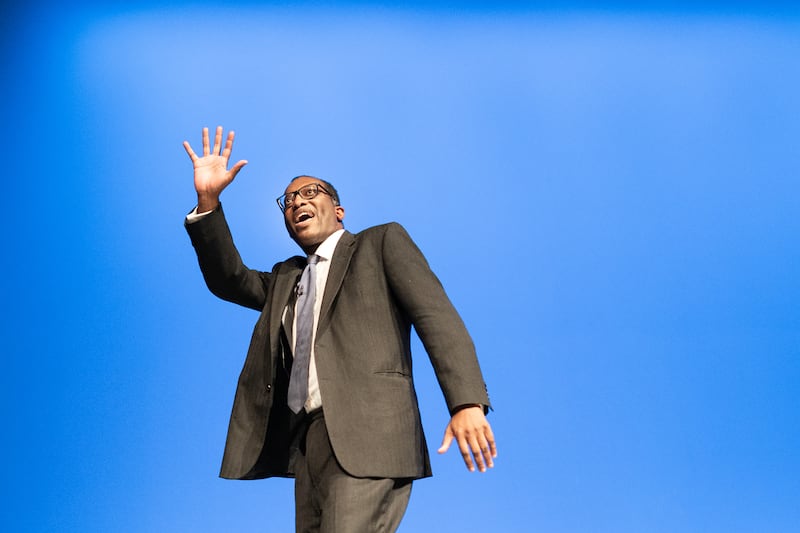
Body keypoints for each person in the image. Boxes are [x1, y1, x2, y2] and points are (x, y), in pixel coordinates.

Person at [183, 126, 496, 532]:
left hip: (371, 433)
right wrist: (208, 201)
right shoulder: (285, 279)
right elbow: (228, 278)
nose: (297, 202)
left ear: (339, 209)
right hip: (309, 442)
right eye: (289, 200)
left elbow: (437, 317)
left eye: (310, 192)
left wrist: (466, 402)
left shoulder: (380, 244)